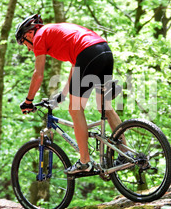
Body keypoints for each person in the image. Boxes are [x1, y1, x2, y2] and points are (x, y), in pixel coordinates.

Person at [15, 14, 122, 174]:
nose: (29, 49)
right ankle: (125, 153)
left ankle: (85, 162)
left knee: (75, 109)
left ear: (29, 34)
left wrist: (28, 100)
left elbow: (38, 74)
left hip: (88, 54)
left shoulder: (39, 37)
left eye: (25, 44)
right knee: (104, 107)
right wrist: (63, 95)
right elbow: (75, 65)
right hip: (104, 51)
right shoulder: (56, 33)